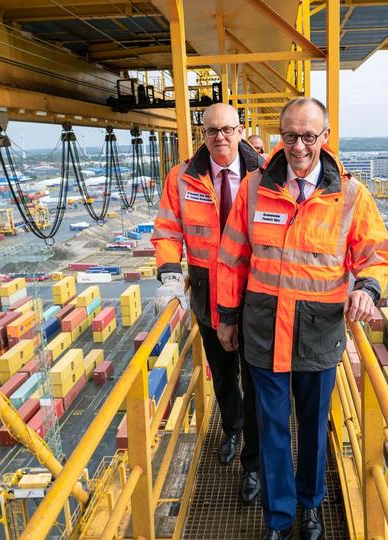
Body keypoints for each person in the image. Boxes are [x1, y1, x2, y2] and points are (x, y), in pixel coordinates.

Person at [215, 97, 388, 540]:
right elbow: (232, 257)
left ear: (325, 138)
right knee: (273, 430)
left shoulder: (350, 195)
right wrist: (226, 316)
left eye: (308, 137)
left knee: (313, 430)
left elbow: (374, 253)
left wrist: (367, 288)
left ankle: (310, 506)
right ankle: (279, 519)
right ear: (280, 136)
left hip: (317, 333)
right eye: (290, 136)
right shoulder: (254, 188)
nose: (298, 147)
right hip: (263, 330)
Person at [151, 103, 263, 504]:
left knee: (255, 383)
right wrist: (168, 271)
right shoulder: (181, 178)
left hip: (254, 301)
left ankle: (252, 463)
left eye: (227, 129)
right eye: (212, 130)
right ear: (203, 134)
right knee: (222, 374)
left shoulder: (265, 174)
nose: (220, 137)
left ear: (240, 131)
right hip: (208, 297)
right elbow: (166, 228)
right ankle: (231, 428)